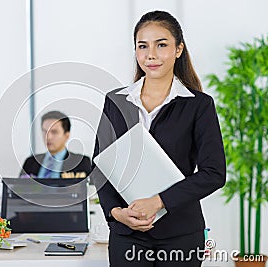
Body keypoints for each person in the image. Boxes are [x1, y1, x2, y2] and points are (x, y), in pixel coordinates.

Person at [91, 10, 226, 267]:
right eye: (143, 46)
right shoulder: (115, 102)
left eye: (161, 45)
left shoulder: (198, 105)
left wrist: (158, 202)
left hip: (181, 235)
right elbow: (100, 165)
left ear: (178, 49)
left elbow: (214, 173)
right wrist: (116, 213)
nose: (150, 54)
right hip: (127, 234)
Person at [20, 110, 91, 178]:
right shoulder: (30, 162)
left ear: (67, 135)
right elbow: (18, 188)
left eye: (54, 132)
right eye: (45, 131)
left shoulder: (80, 162)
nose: (48, 137)